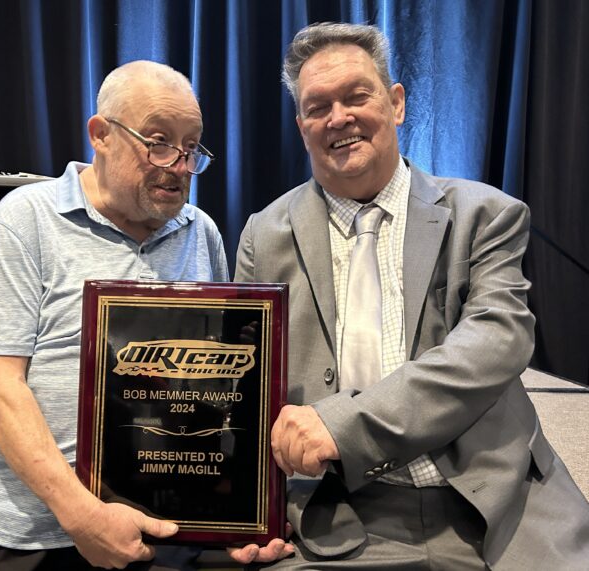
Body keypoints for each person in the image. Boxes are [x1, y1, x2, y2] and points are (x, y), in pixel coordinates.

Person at [231, 22, 589, 569]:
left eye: (357, 96)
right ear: (302, 126)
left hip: (491, 503)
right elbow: (243, 385)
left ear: (396, 103)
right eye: (317, 106)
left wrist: (343, 425)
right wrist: (239, 507)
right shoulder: (263, 235)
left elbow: (496, 342)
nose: (339, 118)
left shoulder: (486, 214)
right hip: (331, 512)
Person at [0, 60, 229, 570]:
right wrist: (81, 514)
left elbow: (219, 387)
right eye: (159, 141)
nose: (179, 165)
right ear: (101, 135)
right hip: (10, 520)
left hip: (155, 506)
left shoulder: (201, 234)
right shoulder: (25, 218)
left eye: (192, 148)